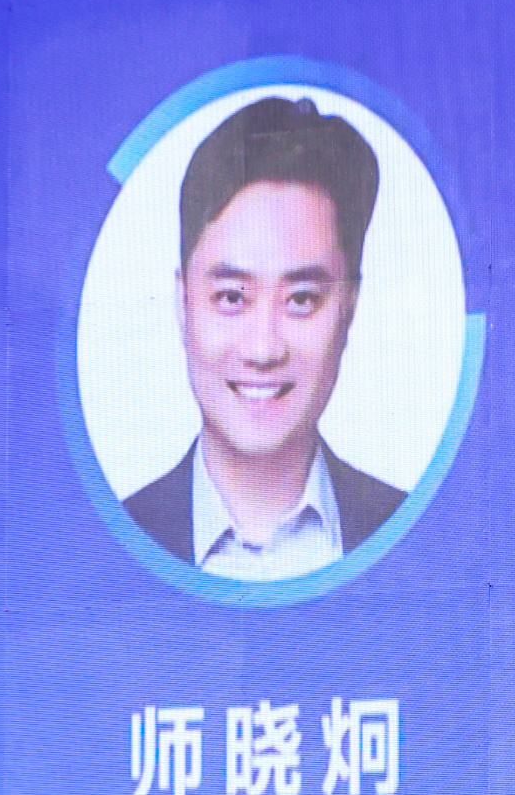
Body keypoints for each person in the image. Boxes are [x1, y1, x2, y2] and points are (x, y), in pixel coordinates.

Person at [121, 96, 408, 579]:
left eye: (301, 299)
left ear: (349, 308)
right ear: (182, 302)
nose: (263, 350)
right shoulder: (104, 545)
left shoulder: (418, 535)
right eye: (231, 297)